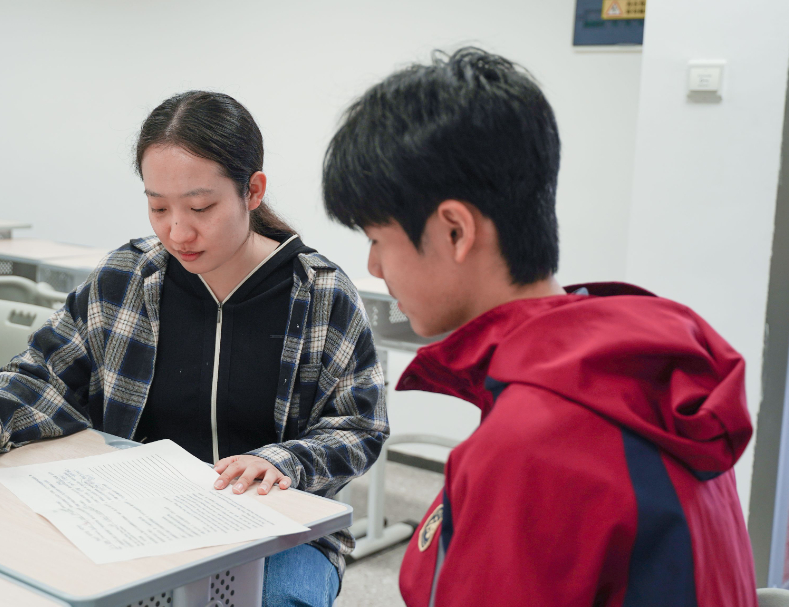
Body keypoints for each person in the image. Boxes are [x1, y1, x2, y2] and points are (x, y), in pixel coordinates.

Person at [322, 48, 757, 607]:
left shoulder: (532, 446)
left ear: (455, 231)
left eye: (378, 239)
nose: (374, 267)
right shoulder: (642, 374)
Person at [0, 90, 388, 606]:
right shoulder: (127, 276)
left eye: (201, 207)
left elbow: (358, 424)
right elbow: (46, 372)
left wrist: (285, 461)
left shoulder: (321, 294)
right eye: (158, 207)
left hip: (278, 531)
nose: (177, 231)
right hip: (138, 515)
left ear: (253, 191)